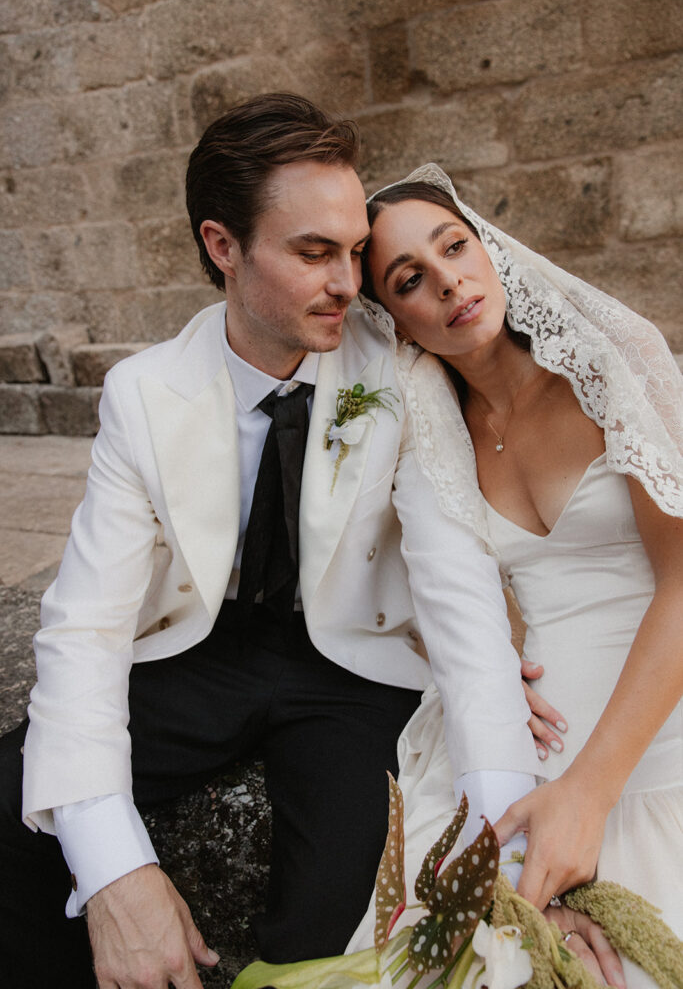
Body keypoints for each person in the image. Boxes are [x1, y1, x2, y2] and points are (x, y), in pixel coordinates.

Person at [0, 100, 552, 989]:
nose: (349, 282)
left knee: (337, 911)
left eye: (351, 250)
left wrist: (507, 808)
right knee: (21, 810)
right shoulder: (143, 394)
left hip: (349, 662)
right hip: (198, 650)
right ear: (223, 247)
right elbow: (85, 626)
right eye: (312, 253)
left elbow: (453, 580)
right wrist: (115, 871)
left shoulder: (396, 370)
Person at [352, 163, 683, 988]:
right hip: (536, 742)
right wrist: (496, 665)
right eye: (409, 280)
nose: (449, 282)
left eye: (455, 246)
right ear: (395, 319)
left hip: (653, 722)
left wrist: (586, 793)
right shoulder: (434, 430)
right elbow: (443, 588)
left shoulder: (611, 367)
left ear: (488, 247)